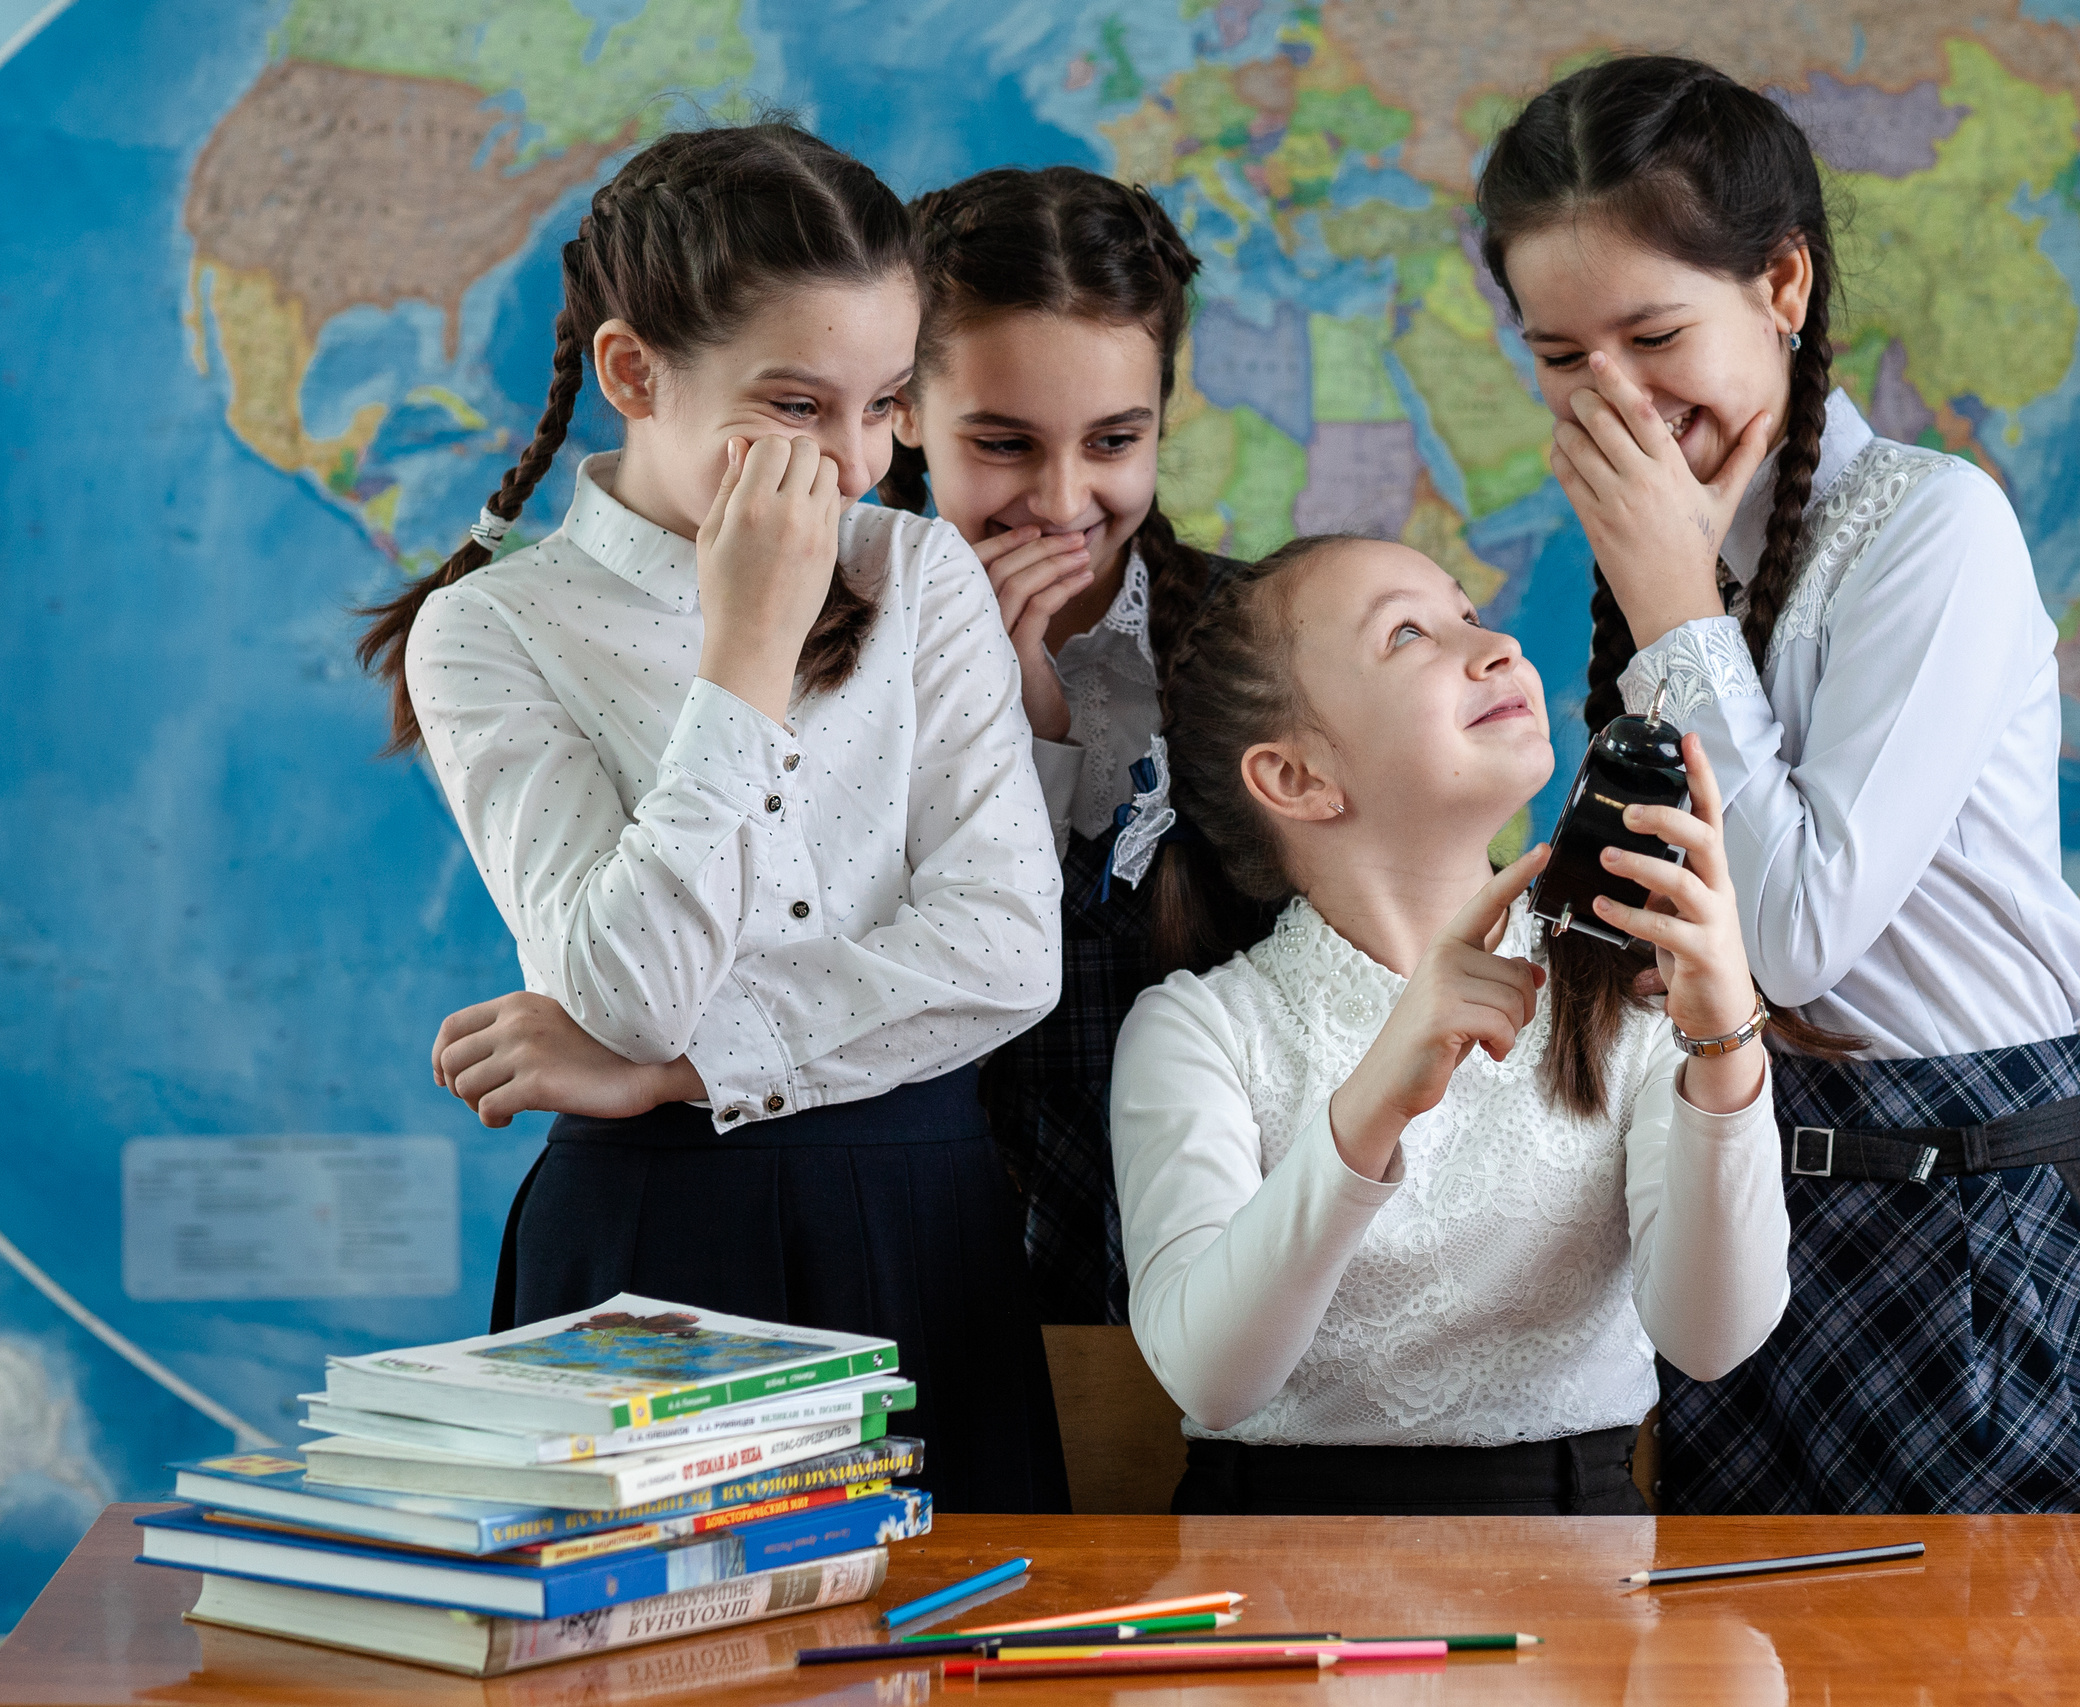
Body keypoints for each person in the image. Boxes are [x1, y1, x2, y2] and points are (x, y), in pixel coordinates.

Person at [355, 123, 1069, 1513]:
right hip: (647, 1231)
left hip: (921, 1209)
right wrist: (746, 649)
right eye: (799, 406)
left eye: (883, 404)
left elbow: (1004, 954)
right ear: (633, 371)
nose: (857, 465)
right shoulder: (487, 628)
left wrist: (688, 1067)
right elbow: (625, 988)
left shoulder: (919, 574)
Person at [1477, 55, 2080, 1515]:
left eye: (1654, 333)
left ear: (1783, 283)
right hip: (1748, 1203)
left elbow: (1791, 937)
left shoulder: (1932, 529)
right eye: (1561, 358)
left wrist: (1668, 606)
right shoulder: (1687, 554)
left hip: (1965, 1209)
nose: (1618, 403)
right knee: (1730, 1658)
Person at [1109, 532, 1791, 1516]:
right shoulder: (1202, 1032)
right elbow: (1211, 1380)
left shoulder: (1630, 996)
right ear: (1295, 779)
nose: (1497, 645)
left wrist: (1726, 1045)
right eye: (1406, 635)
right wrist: (1374, 1099)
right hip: (1267, 1582)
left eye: (1469, 615)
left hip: (1582, 1574)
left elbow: (1712, 1338)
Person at [878, 166, 1256, 1325]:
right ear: (901, 407)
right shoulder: (817, 654)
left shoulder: (1263, 645)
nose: (1061, 500)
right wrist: (994, 693)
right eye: (1001, 443)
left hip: (1221, 1266)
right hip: (923, 1261)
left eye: (1111, 440)